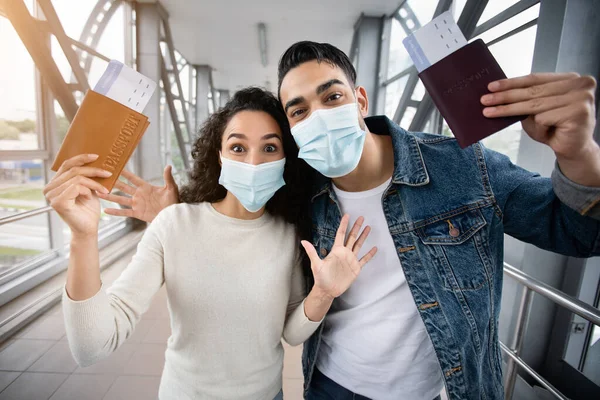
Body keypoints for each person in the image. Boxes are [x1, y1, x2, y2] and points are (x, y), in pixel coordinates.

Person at [104, 42, 600, 400]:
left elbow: (579, 232)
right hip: (331, 387)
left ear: (360, 100)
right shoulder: (300, 197)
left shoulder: (462, 168)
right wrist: (173, 215)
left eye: (331, 97)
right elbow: (235, 230)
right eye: (298, 111)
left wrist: (580, 155)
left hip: (445, 389)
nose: (316, 116)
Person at [44, 87, 377, 400]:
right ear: (219, 155)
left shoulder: (287, 235)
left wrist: (322, 294)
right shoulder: (173, 224)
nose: (253, 162)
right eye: (238, 147)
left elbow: (291, 333)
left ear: (286, 159)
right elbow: (91, 346)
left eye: (270, 148)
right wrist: (83, 237)